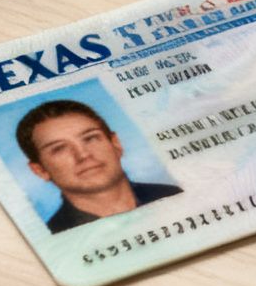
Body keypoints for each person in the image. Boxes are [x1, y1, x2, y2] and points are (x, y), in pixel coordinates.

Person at [14, 98, 181, 233]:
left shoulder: (174, 194)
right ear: (40, 170)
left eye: (90, 138)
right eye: (59, 149)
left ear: (115, 144)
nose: (83, 155)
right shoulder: (55, 237)